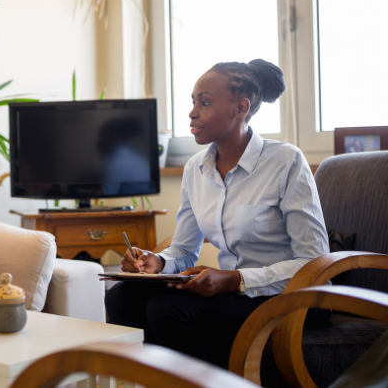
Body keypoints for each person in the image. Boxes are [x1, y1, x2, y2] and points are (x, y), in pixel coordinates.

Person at [104, 60, 329, 368]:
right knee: (121, 297)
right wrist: (157, 261)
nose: (192, 112)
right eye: (193, 102)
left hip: (296, 297)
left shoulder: (286, 162)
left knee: (168, 309)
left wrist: (235, 280)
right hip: (235, 293)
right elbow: (184, 249)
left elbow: (313, 264)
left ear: (241, 107)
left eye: (205, 102)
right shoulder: (195, 169)